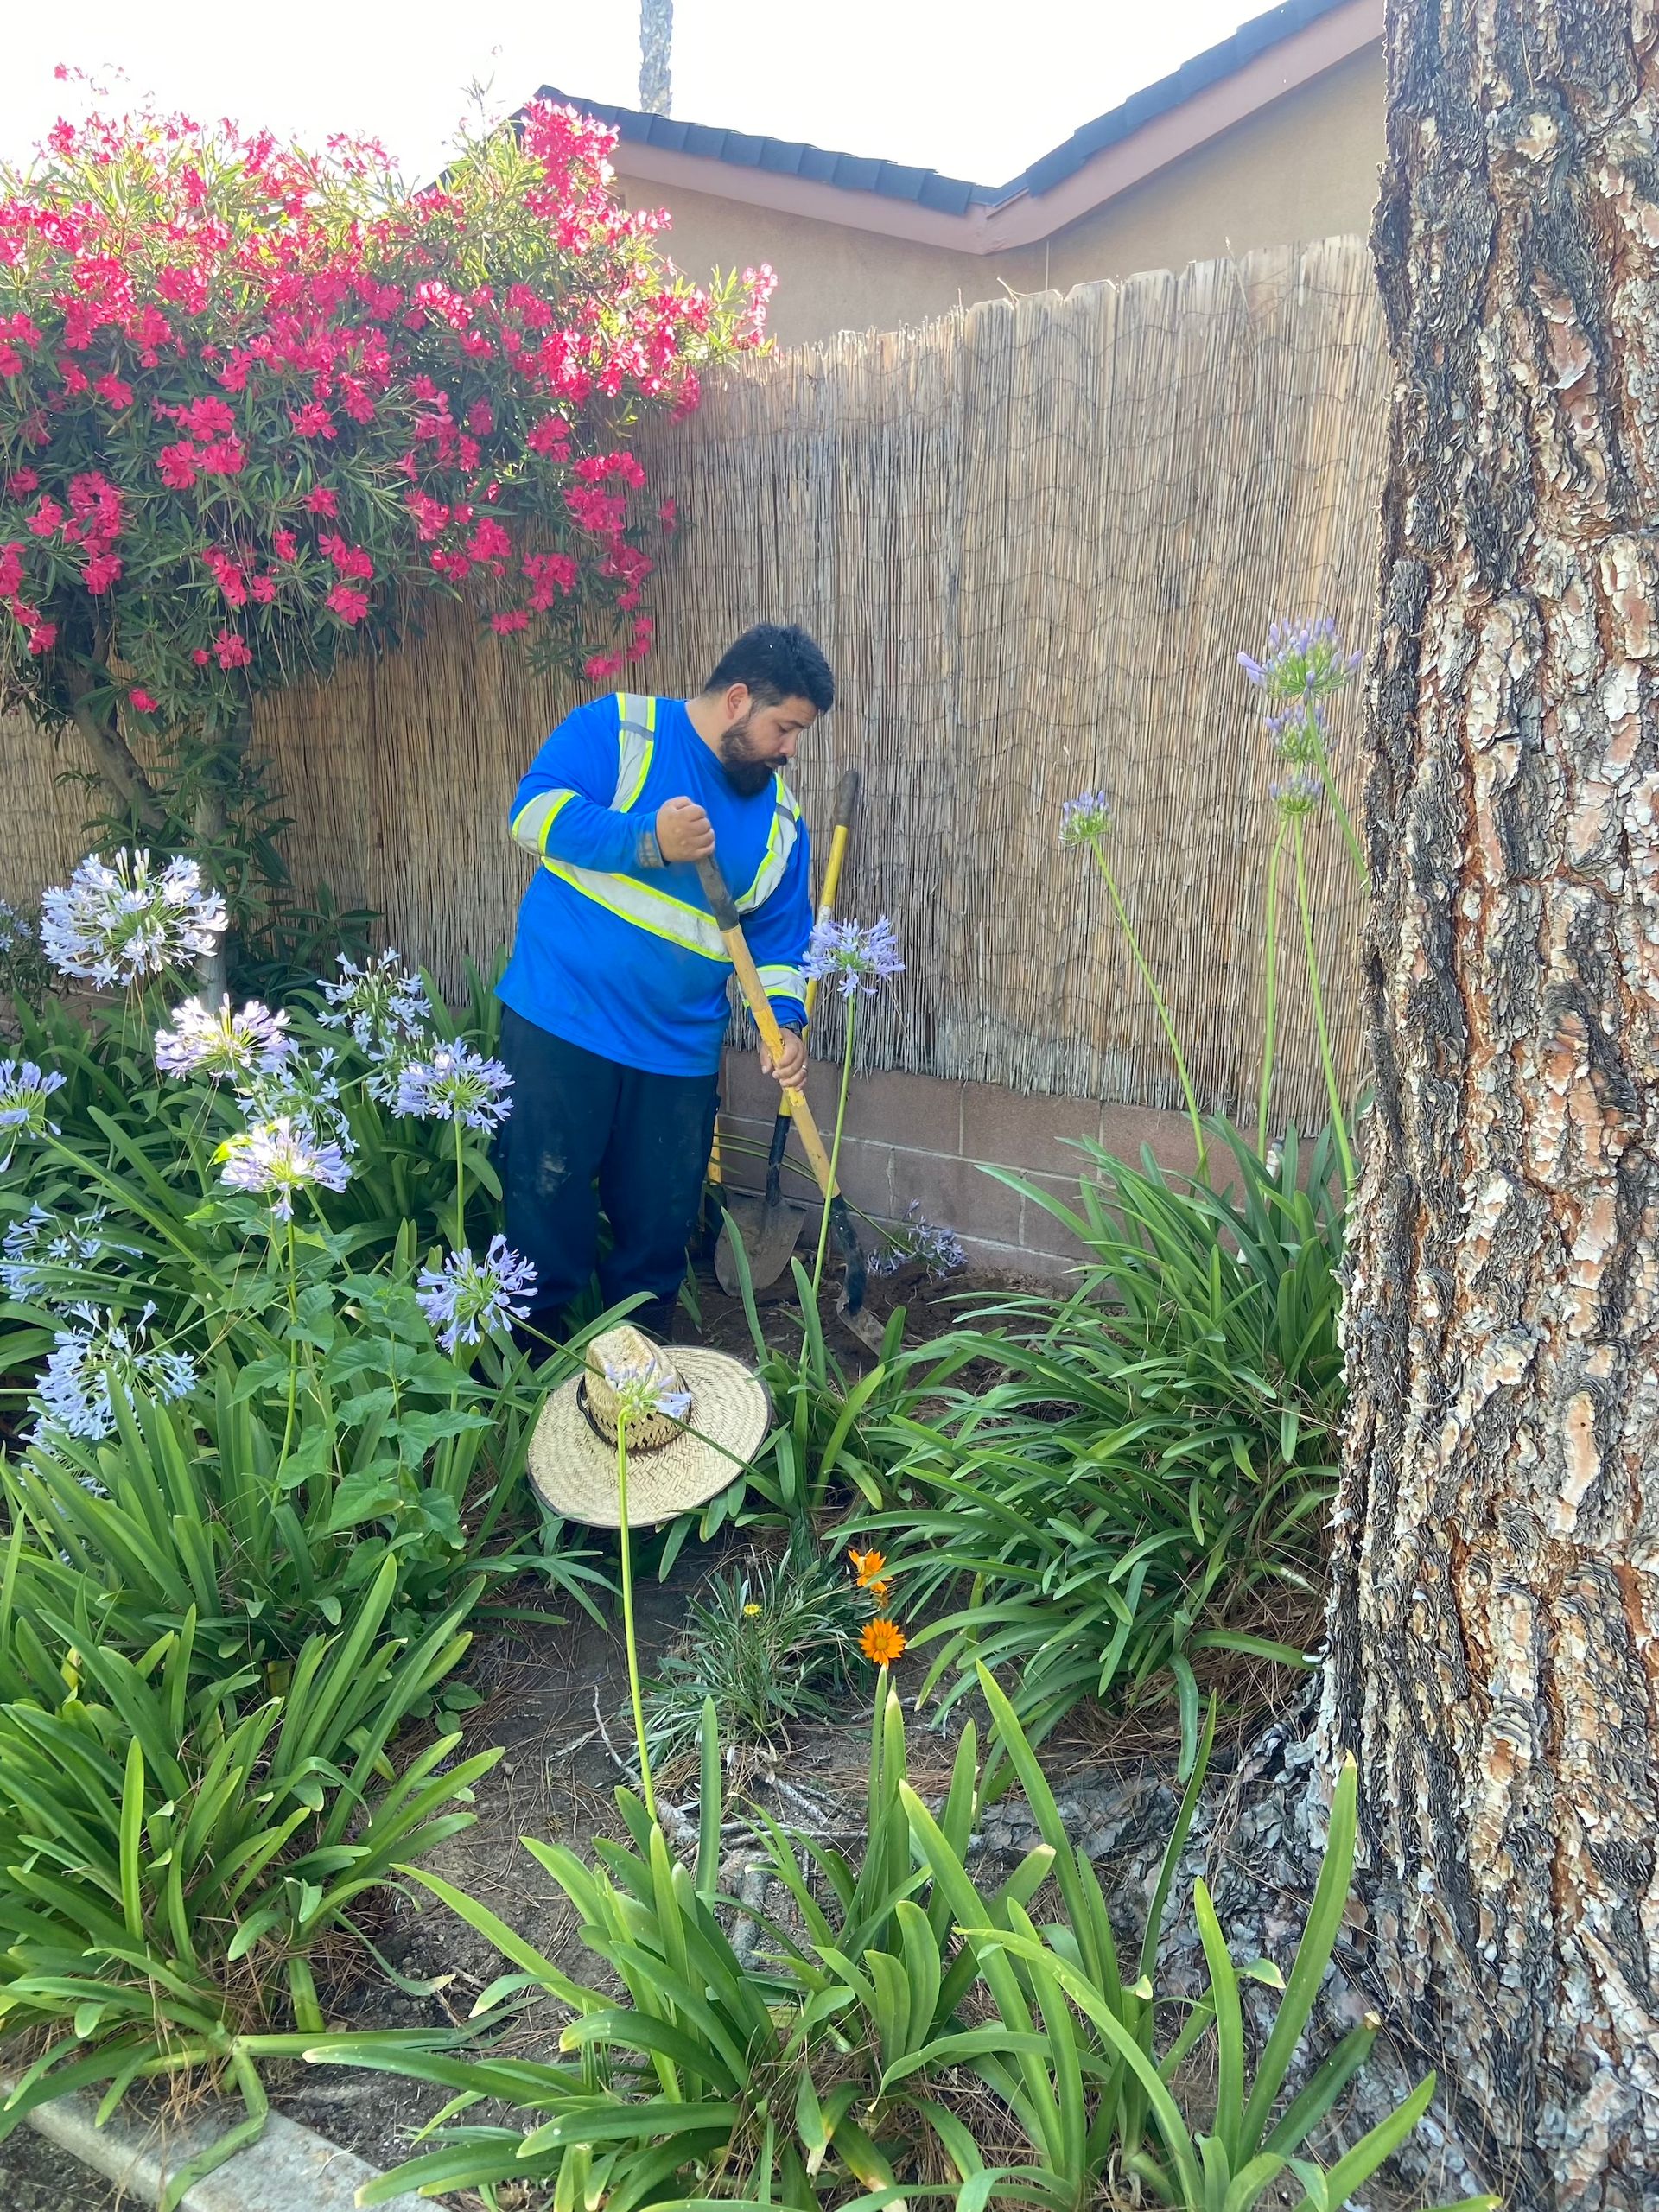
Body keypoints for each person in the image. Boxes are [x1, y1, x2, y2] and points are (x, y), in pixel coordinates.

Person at [496, 622, 834, 1345]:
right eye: (785, 728)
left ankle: (637, 1368)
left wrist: (786, 1023)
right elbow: (532, 815)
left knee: (659, 1224)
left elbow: (777, 942)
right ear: (738, 700)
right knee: (543, 1202)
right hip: (561, 1022)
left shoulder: (780, 822)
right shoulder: (623, 731)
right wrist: (646, 840)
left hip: (676, 1054)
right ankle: (522, 1374)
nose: (791, 750)